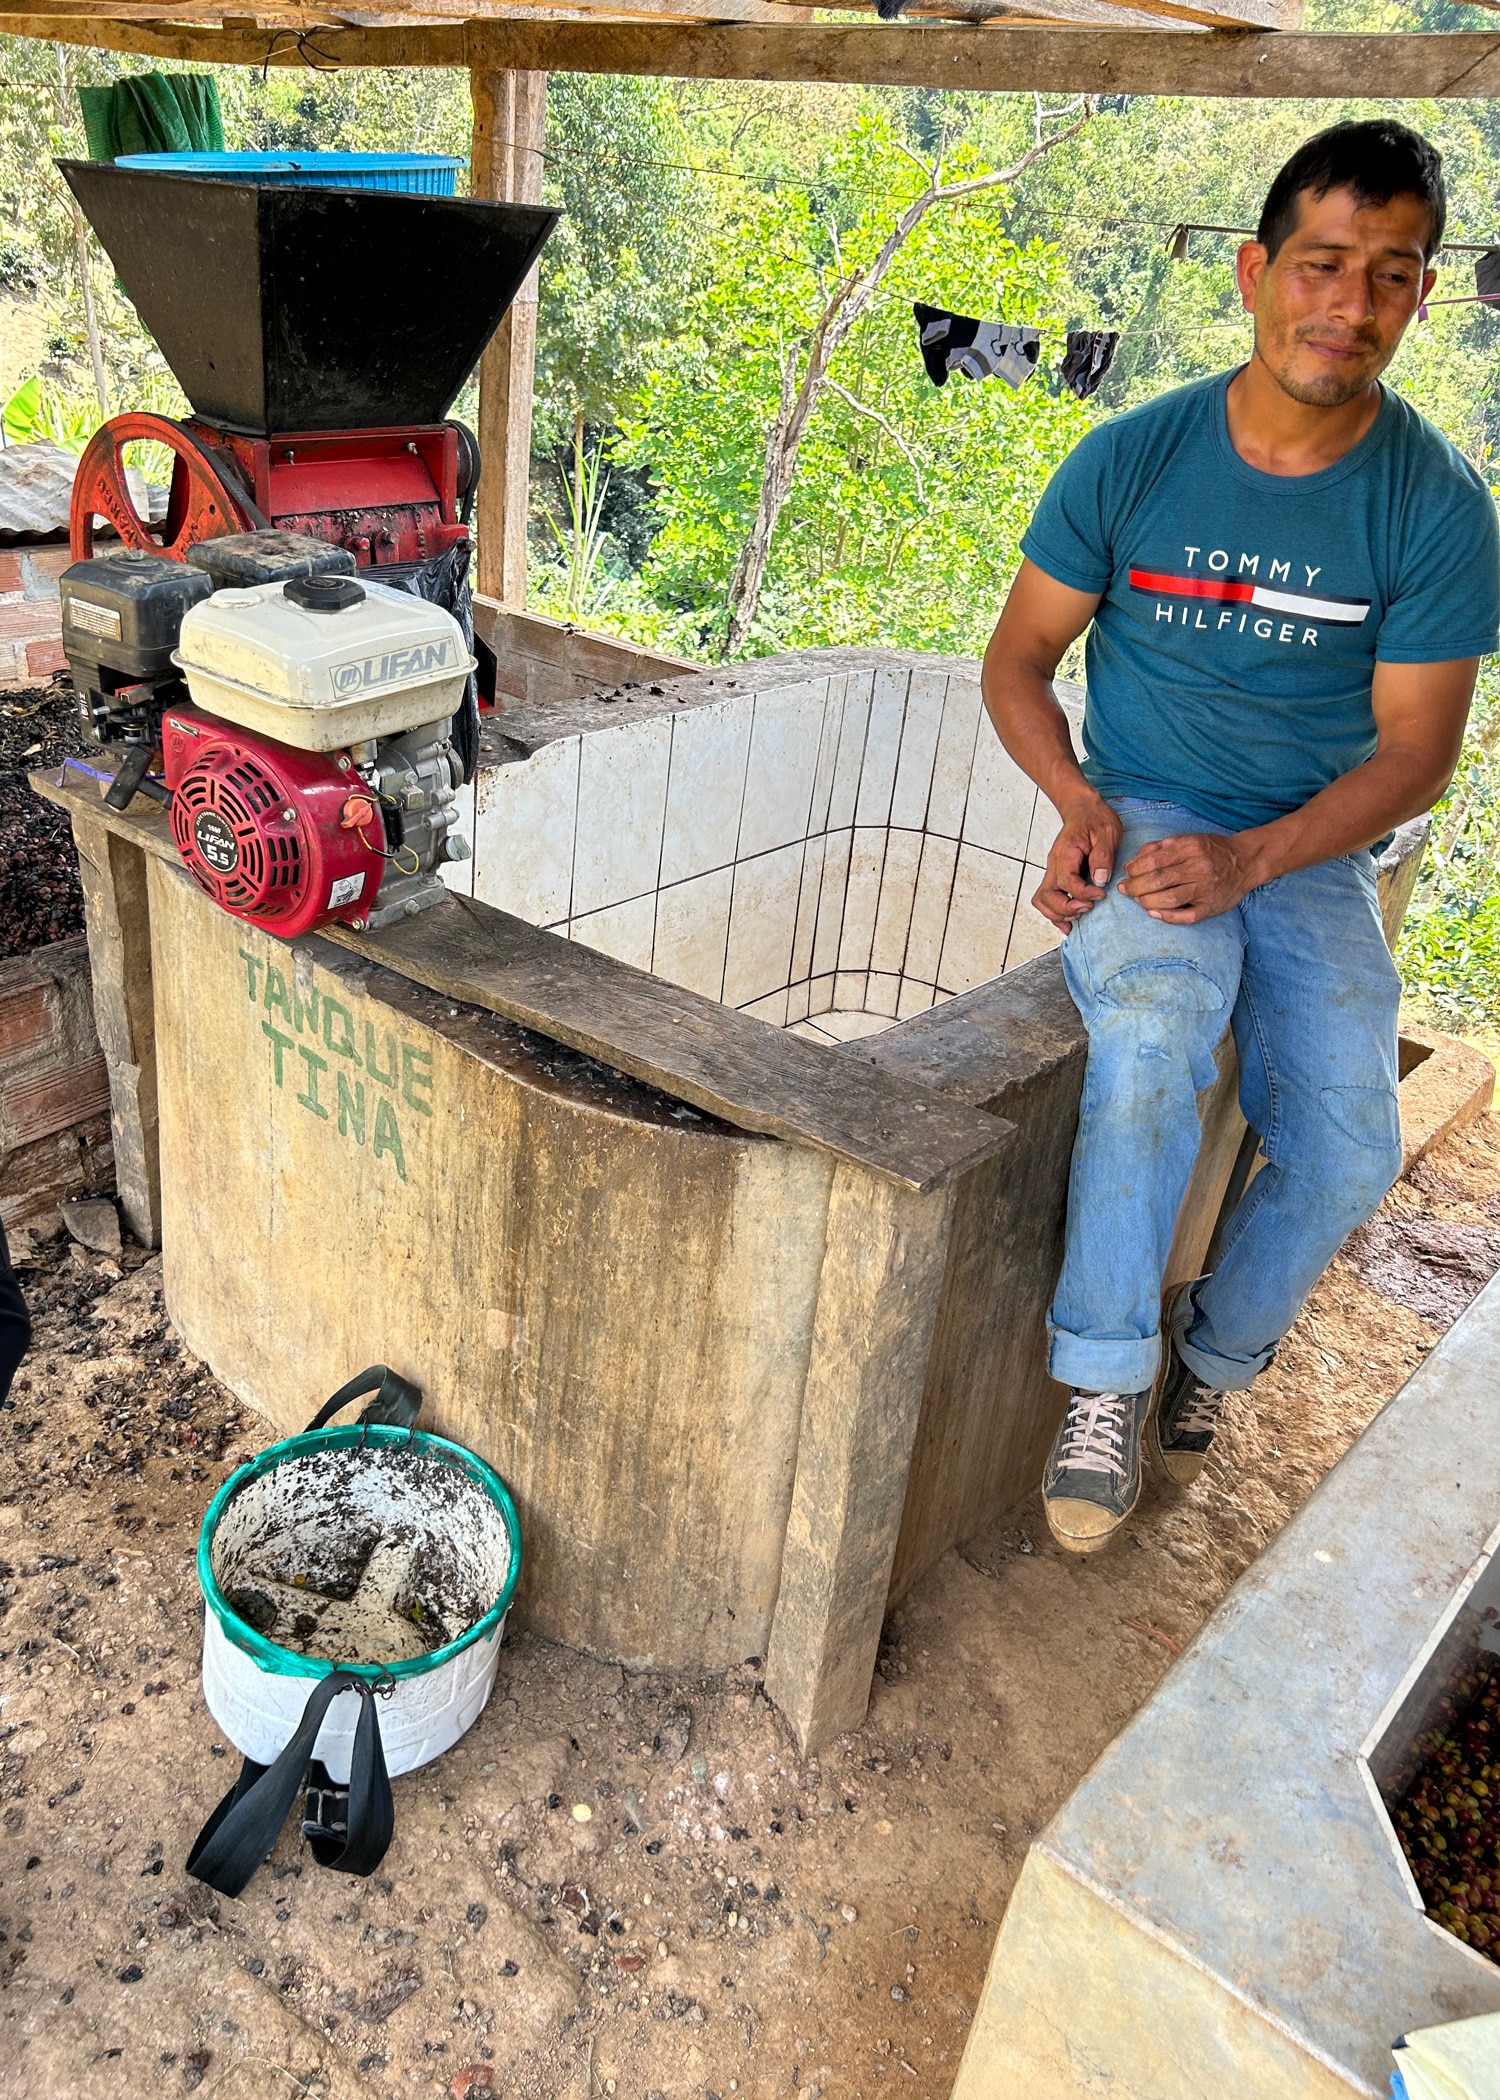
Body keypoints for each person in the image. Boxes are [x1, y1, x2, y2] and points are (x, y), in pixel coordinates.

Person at [981, 119, 1500, 1553]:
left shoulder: (1437, 506)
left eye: (1390, 275)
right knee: (1154, 1031)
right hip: (1149, 804)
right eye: (1324, 264)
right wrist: (1084, 806)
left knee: (1345, 1143)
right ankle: (1099, 1385)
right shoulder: (1133, 459)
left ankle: (1217, 1358)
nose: (1350, 305)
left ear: (1422, 297)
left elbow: (1418, 756)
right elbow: (1016, 659)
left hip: (1311, 843)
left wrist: (1260, 858)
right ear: (1257, 274)